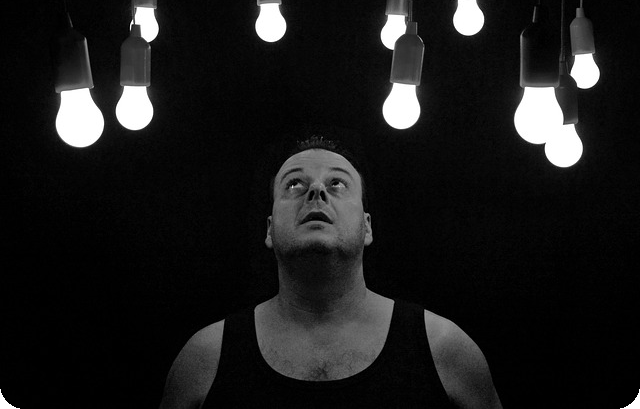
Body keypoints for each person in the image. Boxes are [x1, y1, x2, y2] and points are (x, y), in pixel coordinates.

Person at [158, 135, 503, 408]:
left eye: (337, 183)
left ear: (367, 226)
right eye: (293, 184)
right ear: (269, 229)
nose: (316, 190)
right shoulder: (204, 358)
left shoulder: (445, 349)